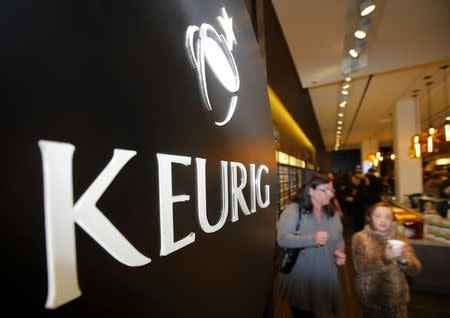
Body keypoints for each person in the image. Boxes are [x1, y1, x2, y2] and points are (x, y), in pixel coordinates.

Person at [277, 175, 346, 318]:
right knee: (304, 311)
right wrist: (311, 239)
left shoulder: (332, 213)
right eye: (325, 190)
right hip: (302, 276)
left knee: (323, 310)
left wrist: (340, 251)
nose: (330, 194)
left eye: (332, 191)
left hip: (326, 275)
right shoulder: (294, 210)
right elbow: (282, 239)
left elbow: (339, 237)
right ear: (311, 191)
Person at [351, 202, 421, 318]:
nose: (383, 220)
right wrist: (385, 257)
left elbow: (415, 270)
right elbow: (361, 267)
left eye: (387, 217)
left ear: (393, 220)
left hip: (397, 297)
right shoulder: (360, 237)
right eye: (378, 216)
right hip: (371, 296)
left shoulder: (400, 238)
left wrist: (403, 260)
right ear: (369, 218)